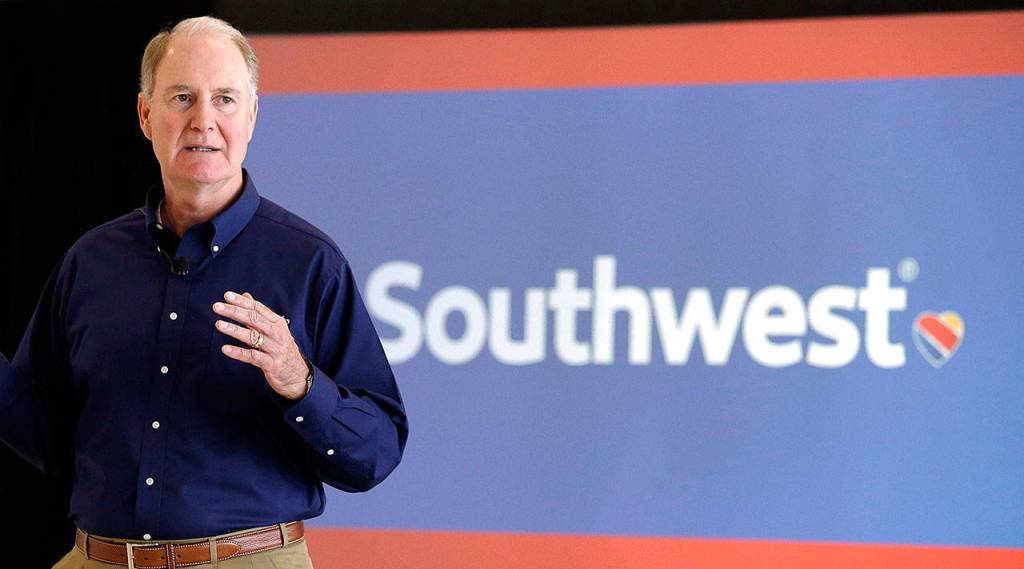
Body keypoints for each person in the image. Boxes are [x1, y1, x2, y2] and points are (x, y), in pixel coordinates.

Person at [0, 16, 407, 569]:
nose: (203, 121)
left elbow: (375, 456)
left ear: (253, 115)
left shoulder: (309, 263)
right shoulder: (90, 262)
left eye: (224, 99)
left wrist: (299, 382)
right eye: (183, 97)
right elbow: (45, 439)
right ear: (146, 115)